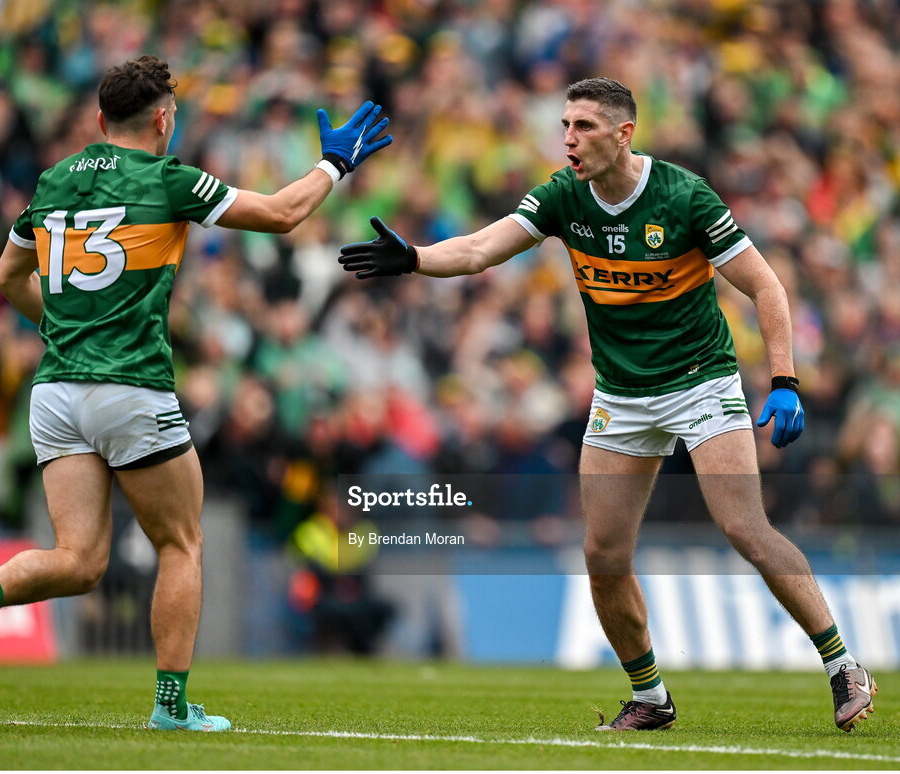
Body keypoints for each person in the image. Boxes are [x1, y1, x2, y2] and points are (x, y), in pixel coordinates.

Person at [338, 77, 876, 733]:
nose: (568, 138)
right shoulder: (563, 196)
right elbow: (482, 248)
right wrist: (416, 258)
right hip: (622, 394)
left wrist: (785, 379)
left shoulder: (683, 196)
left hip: (700, 381)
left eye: (584, 126)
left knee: (743, 527)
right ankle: (650, 694)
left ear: (624, 134)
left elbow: (766, 285)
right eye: (565, 125)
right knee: (602, 553)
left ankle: (842, 663)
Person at [0, 55, 392, 732]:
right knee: (181, 542)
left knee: (79, 560)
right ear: (163, 119)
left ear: (99, 120)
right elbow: (285, 214)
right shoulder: (169, 178)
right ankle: (171, 707)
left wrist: (64, 326)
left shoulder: (55, 180)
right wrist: (335, 165)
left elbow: (4, 277)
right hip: (130, 388)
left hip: (55, 392)